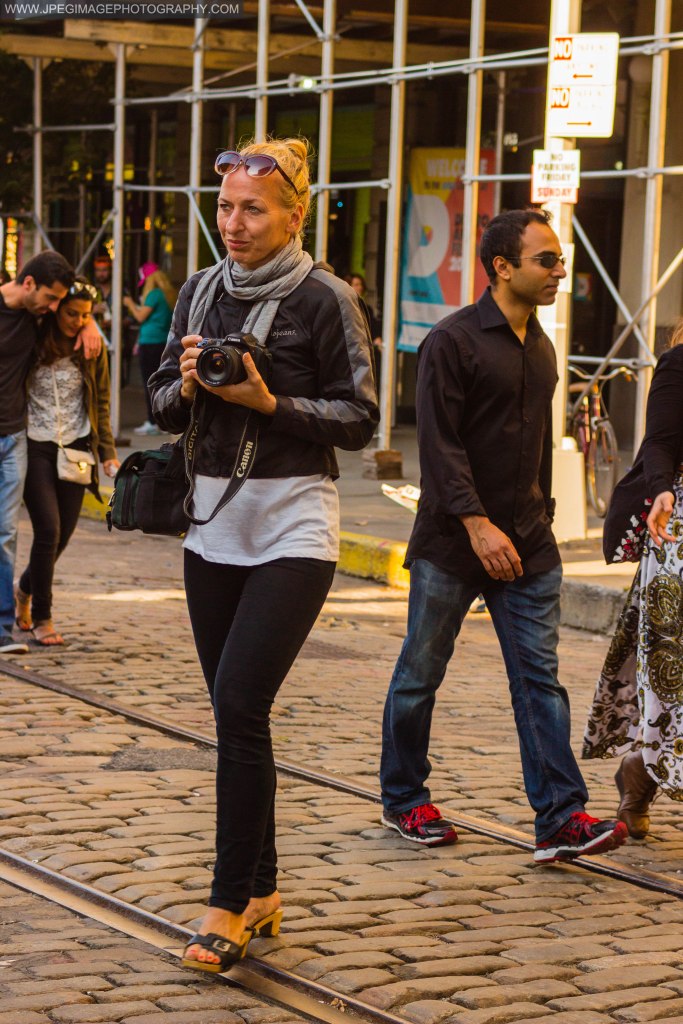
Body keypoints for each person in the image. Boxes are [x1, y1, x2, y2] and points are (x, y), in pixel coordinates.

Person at [149, 137, 378, 973]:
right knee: (234, 716)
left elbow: (359, 418)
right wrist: (188, 386)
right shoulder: (203, 289)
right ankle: (266, 887)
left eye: (252, 208)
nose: (234, 224)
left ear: (293, 213)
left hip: (291, 527)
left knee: (240, 705)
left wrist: (268, 400)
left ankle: (225, 903)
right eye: (224, 208)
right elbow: (161, 403)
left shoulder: (325, 299)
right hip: (211, 526)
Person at [380, 208, 627, 863]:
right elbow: (438, 447)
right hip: (453, 541)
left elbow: (535, 447)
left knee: (538, 681)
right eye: (545, 259)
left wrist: (536, 520)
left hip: (526, 543)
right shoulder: (451, 343)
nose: (559, 270)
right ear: (501, 267)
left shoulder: (540, 346)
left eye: (558, 259)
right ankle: (405, 799)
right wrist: (476, 524)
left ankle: (560, 818)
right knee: (418, 674)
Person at [583, 322, 683, 838]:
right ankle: (641, 770)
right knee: (674, 672)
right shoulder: (679, 362)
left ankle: (638, 772)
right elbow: (661, 442)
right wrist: (662, 491)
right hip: (678, 532)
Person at [0, 251, 100, 655]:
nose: (55, 308)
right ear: (29, 285)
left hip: (14, 438)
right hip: (29, 440)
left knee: (7, 533)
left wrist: (89, 321)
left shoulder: (38, 317)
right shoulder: (30, 313)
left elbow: (73, 311)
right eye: (51, 298)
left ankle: (5, 626)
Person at [14, 278, 119, 646]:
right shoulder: (33, 337)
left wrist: (106, 452)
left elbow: (101, 401)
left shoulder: (92, 348)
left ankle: (24, 588)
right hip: (35, 443)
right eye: (72, 313)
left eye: (86, 315)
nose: (78, 320)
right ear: (57, 309)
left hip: (76, 447)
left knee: (63, 535)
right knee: (48, 530)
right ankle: (43, 616)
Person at [124, 264, 176, 435]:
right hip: (162, 342)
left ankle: (152, 421)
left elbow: (140, 316)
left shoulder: (153, 295)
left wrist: (129, 303)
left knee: (150, 383)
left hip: (150, 343)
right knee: (161, 382)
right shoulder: (168, 296)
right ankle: (162, 420)